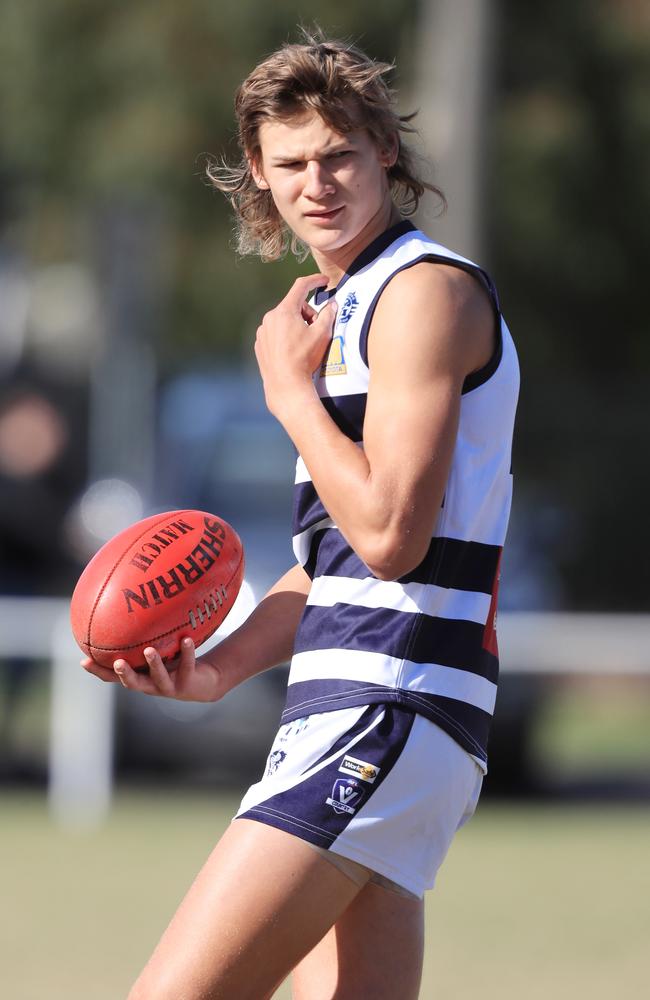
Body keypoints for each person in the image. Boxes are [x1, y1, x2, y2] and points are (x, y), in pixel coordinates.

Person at [83, 31, 519, 1000]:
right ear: (257, 173)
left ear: (384, 153)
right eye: (289, 163)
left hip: (390, 699)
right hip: (367, 701)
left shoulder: (421, 293)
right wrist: (220, 668)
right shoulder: (342, 305)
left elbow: (390, 538)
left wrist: (288, 394)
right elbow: (336, 558)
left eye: (337, 155)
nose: (315, 182)